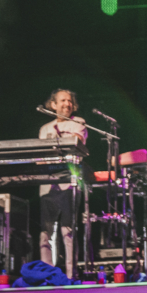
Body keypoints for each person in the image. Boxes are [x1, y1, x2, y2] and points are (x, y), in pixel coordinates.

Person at [38, 88, 86, 280]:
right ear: (53, 105)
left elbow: (78, 143)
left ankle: (70, 275)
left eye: (70, 101)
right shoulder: (45, 129)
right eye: (63, 101)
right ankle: (46, 275)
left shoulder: (78, 123)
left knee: (68, 231)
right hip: (47, 182)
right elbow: (40, 156)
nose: (67, 104)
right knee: (45, 231)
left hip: (68, 181)